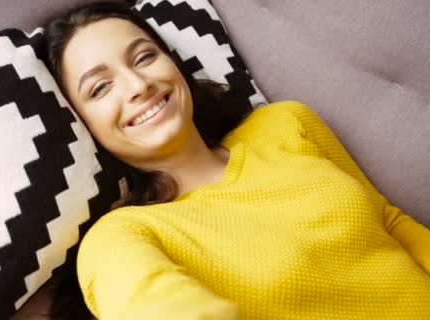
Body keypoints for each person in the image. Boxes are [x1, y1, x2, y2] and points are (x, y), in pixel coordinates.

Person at [41, 1, 430, 319]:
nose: (138, 86)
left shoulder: (284, 122)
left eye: (144, 57)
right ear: (83, 125)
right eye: (101, 87)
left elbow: (389, 221)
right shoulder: (121, 236)